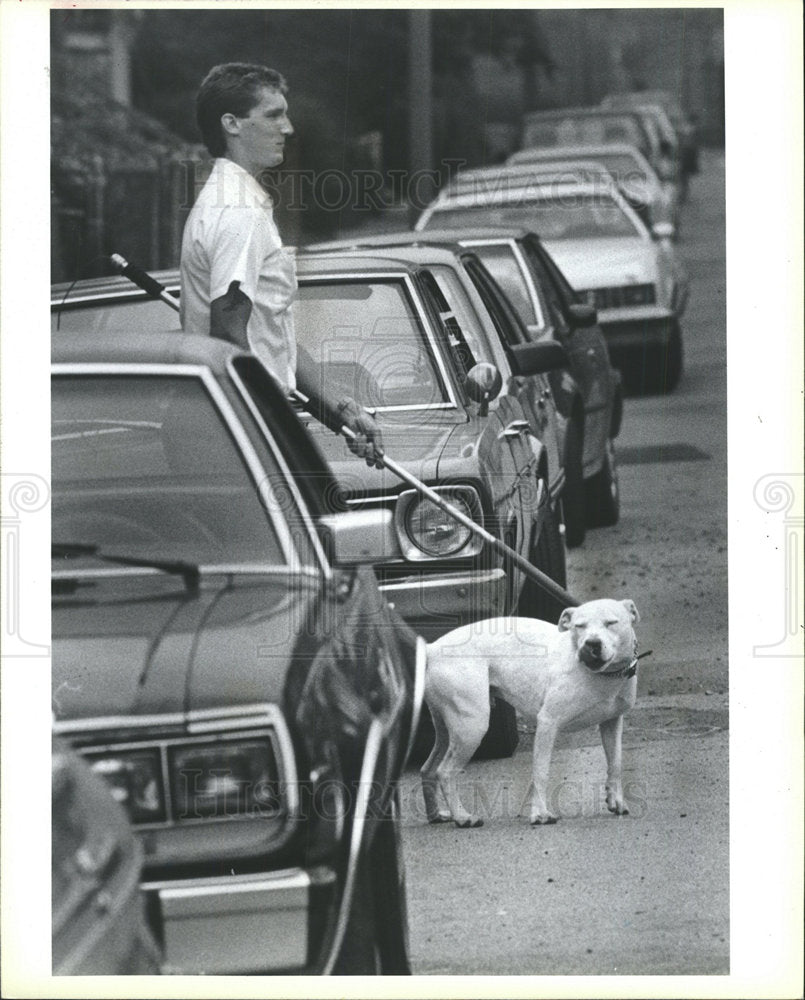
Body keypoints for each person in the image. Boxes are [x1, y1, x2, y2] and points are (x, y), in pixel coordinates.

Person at [180, 62, 383, 466]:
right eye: (273, 115)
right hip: (243, 432)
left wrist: (342, 413)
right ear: (232, 124)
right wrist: (276, 429)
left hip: (242, 422)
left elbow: (273, 338)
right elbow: (228, 335)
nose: (288, 128)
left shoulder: (237, 199)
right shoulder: (236, 210)